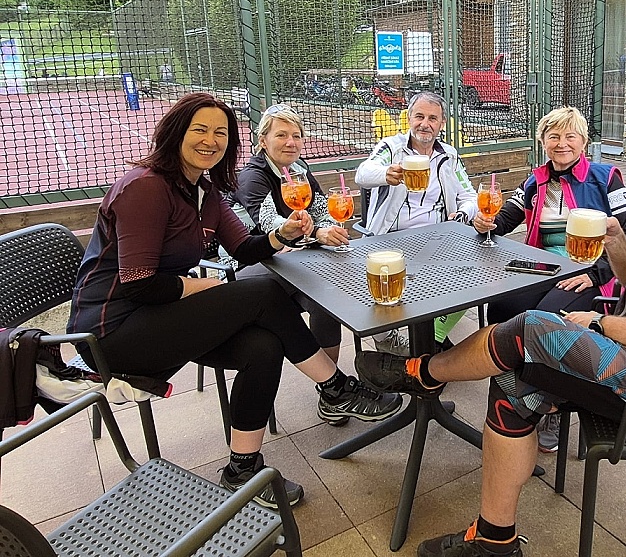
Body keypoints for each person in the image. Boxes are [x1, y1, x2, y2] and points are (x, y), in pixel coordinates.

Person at [354, 110, 626, 557]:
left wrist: (602, 322)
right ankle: (495, 540)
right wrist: (617, 242)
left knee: (532, 327)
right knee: (513, 378)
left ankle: (423, 373)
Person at [68, 92, 402, 510]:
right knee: (264, 291)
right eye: (200, 130)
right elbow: (138, 284)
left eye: (221, 133)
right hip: (111, 332)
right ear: (175, 133)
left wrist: (283, 235)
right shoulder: (145, 187)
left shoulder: (204, 190)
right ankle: (335, 387)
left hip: (161, 316)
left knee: (263, 346)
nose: (211, 140)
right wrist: (207, 287)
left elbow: (244, 248)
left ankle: (241, 468)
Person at [473, 106, 626, 452]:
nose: (562, 143)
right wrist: (486, 222)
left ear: (583, 142)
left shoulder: (606, 178)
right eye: (553, 137)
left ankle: (550, 403)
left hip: (588, 274)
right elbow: (506, 218)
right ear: (543, 142)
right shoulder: (536, 181)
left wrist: (596, 274)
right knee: (501, 307)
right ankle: (513, 386)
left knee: (547, 322)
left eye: (570, 136)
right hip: (544, 269)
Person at [231, 105, 351, 418]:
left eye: (296, 136)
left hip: (291, 262)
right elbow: (268, 223)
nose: (291, 142)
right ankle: (336, 385)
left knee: (326, 300)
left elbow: (321, 208)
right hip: (250, 266)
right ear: (263, 141)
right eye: (281, 135)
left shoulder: (299, 169)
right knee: (320, 284)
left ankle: (331, 392)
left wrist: (328, 229)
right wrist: (314, 234)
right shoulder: (252, 176)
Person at [355, 91, 478, 354]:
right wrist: (385, 173)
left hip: (438, 239)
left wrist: (462, 215)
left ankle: (432, 336)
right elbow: (363, 173)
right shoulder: (392, 148)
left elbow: (469, 196)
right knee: (380, 287)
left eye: (433, 118)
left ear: (442, 123)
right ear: (409, 118)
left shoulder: (448, 155)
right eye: (419, 116)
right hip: (391, 239)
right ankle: (388, 340)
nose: (425, 124)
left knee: (474, 275)